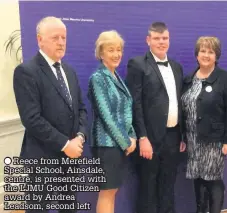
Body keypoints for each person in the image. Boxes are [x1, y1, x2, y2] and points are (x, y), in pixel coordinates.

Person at [13, 16, 87, 213]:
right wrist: (65, 144)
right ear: (40, 39)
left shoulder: (69, 71)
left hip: (70, 158)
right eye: (55, 38)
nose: (61, 42)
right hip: (42, 158)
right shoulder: (26, 71)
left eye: (63, 37)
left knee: (68, 208)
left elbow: (80, 109)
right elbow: (31, 119)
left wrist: (80, 136)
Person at [125, 22, 186, 213]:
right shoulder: (137, 64)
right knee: (148, 187)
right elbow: (135, 104)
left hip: (173, 137)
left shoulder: (176, 67)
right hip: (149, 138)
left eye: (165, 38)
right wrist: (142, 137)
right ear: (148, 40)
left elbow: (179, 102)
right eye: (157, 38)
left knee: (168, 185)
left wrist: (182, 135)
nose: (162, 42)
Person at [181, 36, 227, 213]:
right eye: (203, 51)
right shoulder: (188, 79)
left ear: (217, 55)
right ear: (197, 54)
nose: (206, 55)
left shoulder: (226, 79)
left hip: (214, 140)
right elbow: (183, 109)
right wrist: (183, 136)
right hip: (193, 139)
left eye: (211, 52)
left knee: (212, 179)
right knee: (198, 177)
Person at [87, 30, 136, 213]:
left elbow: (126, 112)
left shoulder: (117, 78)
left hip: (119, 145)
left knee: (112, 191)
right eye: (110, 50)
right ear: (101, 53)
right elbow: (107, 117)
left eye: (118, 50)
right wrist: (126, 142)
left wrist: (133, 137)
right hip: (107, 145)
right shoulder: (98, 79)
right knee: (107, 192)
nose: (116, 54)